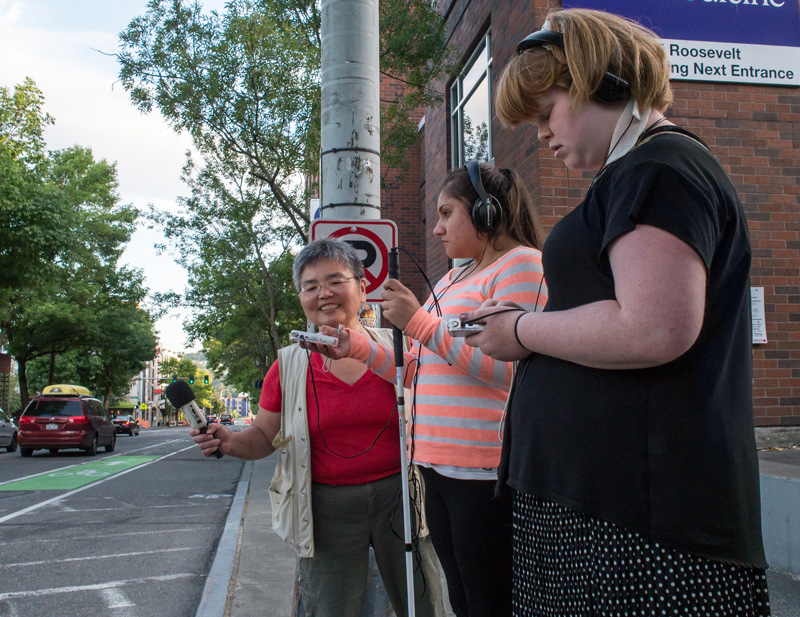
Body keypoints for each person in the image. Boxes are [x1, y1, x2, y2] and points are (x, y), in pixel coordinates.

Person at [463, 8, 770, 616]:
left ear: (604, 83)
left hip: (640, 524)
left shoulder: (660, 169)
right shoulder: (635, 173)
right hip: (606, 510)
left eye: (547, 111)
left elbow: (652, 328)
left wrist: (520, 329)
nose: (540, 134)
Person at [309, 163, 548, 617]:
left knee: (490, 600)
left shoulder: (523, 264)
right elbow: (417, 371)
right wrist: (355, 347)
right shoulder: (450, 280)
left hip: (486, 472)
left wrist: (418, 321)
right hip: (435, 468)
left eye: (446, 213)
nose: (436, 228)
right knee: (461, 598)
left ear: (486, 212)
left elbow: (511, 369)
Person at [192, 238, 445, 617]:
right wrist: (230, 441)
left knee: (422, 602)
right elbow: (262, 437)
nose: (324, 294)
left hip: (401, 497)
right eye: (310, 287)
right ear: (301, 298)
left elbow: (437, 399)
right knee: (328, 607)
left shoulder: (399, 347)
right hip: (325, 507)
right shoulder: (288, 366)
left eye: (335, 281)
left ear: (362, 288)